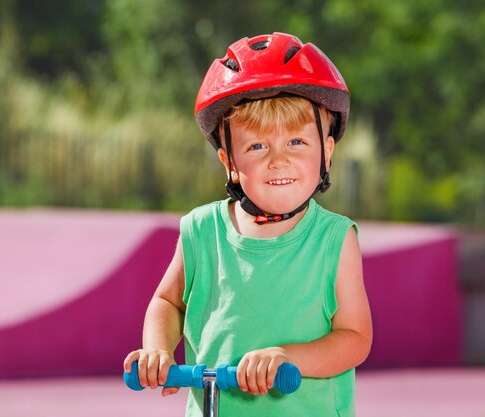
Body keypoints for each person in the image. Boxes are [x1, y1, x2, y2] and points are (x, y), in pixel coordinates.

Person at [123, 32, 372, 417]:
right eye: (257, 146)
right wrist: (157, 349)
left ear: (327, 149)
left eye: (296, 142)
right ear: (229, 162)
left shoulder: (333, 240)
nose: (278, 160)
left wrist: (289, 357)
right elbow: (168, 301)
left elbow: (355, 339)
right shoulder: (201, 231)